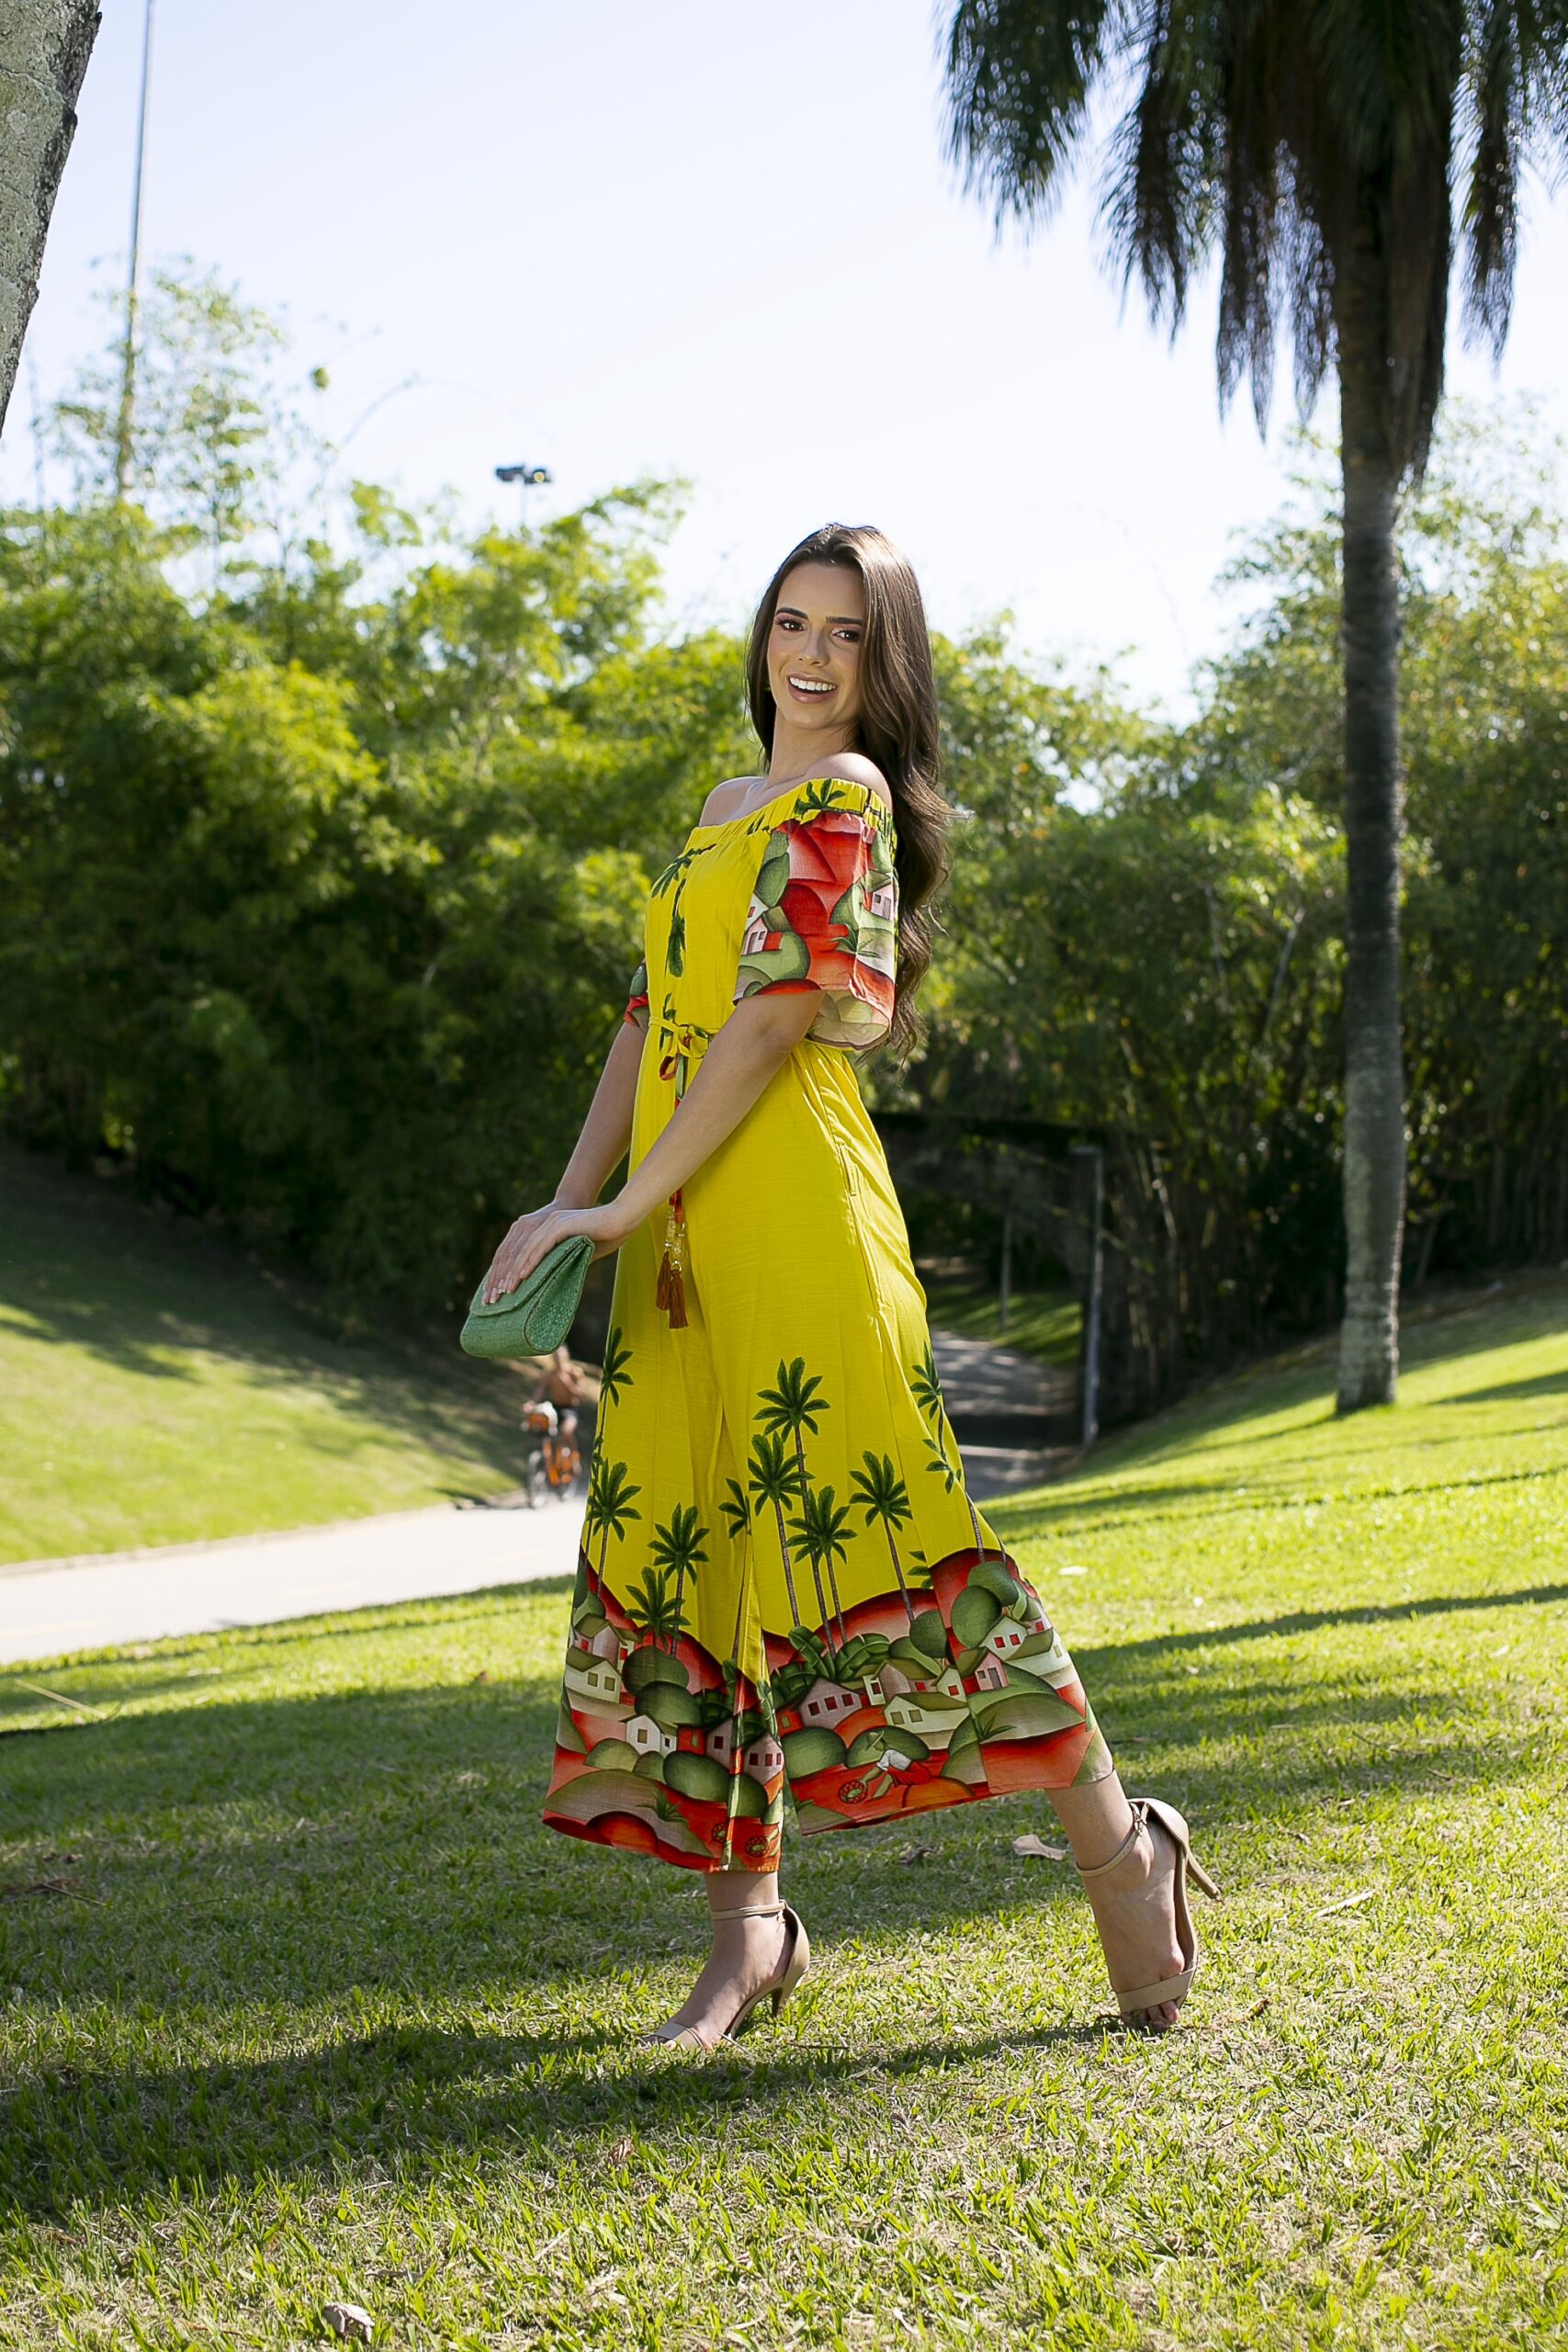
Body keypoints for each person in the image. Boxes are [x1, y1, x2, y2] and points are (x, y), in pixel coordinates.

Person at [482, 523, 1217, 2048]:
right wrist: (569, 1204)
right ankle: (749, 1940)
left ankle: (1122, 1856)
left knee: (905, 1533)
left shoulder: (846, 796)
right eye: (790, 625)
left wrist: (632, 1195)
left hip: (794, 1211)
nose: (809, 659)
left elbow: (770, 1024)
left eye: (846, 637)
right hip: (676, 1231)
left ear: (885, 669)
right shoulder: (720, 807)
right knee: (707, 1558)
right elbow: (650, 1018)